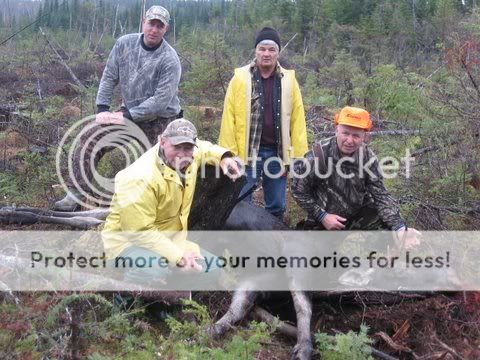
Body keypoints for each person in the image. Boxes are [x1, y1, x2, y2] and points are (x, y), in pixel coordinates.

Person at [55, 5, 182, 211]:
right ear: (144, 21)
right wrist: (102, 109)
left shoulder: (170, 59)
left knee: (157, 165)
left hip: (160, 120)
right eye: (151, 23)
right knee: (90, 138)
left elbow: (160, 101)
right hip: (127, 113)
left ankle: (156, 207)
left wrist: (127, 116)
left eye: (160, 26)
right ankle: (75, 195)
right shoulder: (124, 44)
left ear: (165, 29)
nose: (154, 29)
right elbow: (109, 77)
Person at [102, 118, 241, 285]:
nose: (182, 155)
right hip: (126, 245)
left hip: (169, 240)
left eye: (188, 147)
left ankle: (170, 302)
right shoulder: (139, 177)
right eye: (176, 147)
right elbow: (138, 232)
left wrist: (224, 157)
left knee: (212, 268)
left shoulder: (191, 155)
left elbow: (203, 148)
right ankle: (126, 305)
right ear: (162, 142)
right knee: (154, 269)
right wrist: (178, 257)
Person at [291, 106, 419, 248]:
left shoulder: (368, 158)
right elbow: (298, 190)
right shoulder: (319, 155)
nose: (350, 140)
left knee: (390, 231)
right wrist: (322, 216)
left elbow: (381, 196)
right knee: (317, 261)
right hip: (324, 220)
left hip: (356, 214)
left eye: (356, 135)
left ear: (365, 136)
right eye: (345, 133)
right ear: (336, 129)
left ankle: (380, 262)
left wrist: (400, 228)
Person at [218, 27, 308, 220]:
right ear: (255, 51)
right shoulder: (240, 78)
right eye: (262, 49)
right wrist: (228, 153)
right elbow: (229, 117)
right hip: (246, 153)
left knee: (276, 205)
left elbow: (297, 119)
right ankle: (245, 246)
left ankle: (271, 246)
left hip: (277, 153)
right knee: (241, 202)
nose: (266, 54)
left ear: (278, 53)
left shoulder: (289, 80)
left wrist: (298, 156)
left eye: (271, 49)